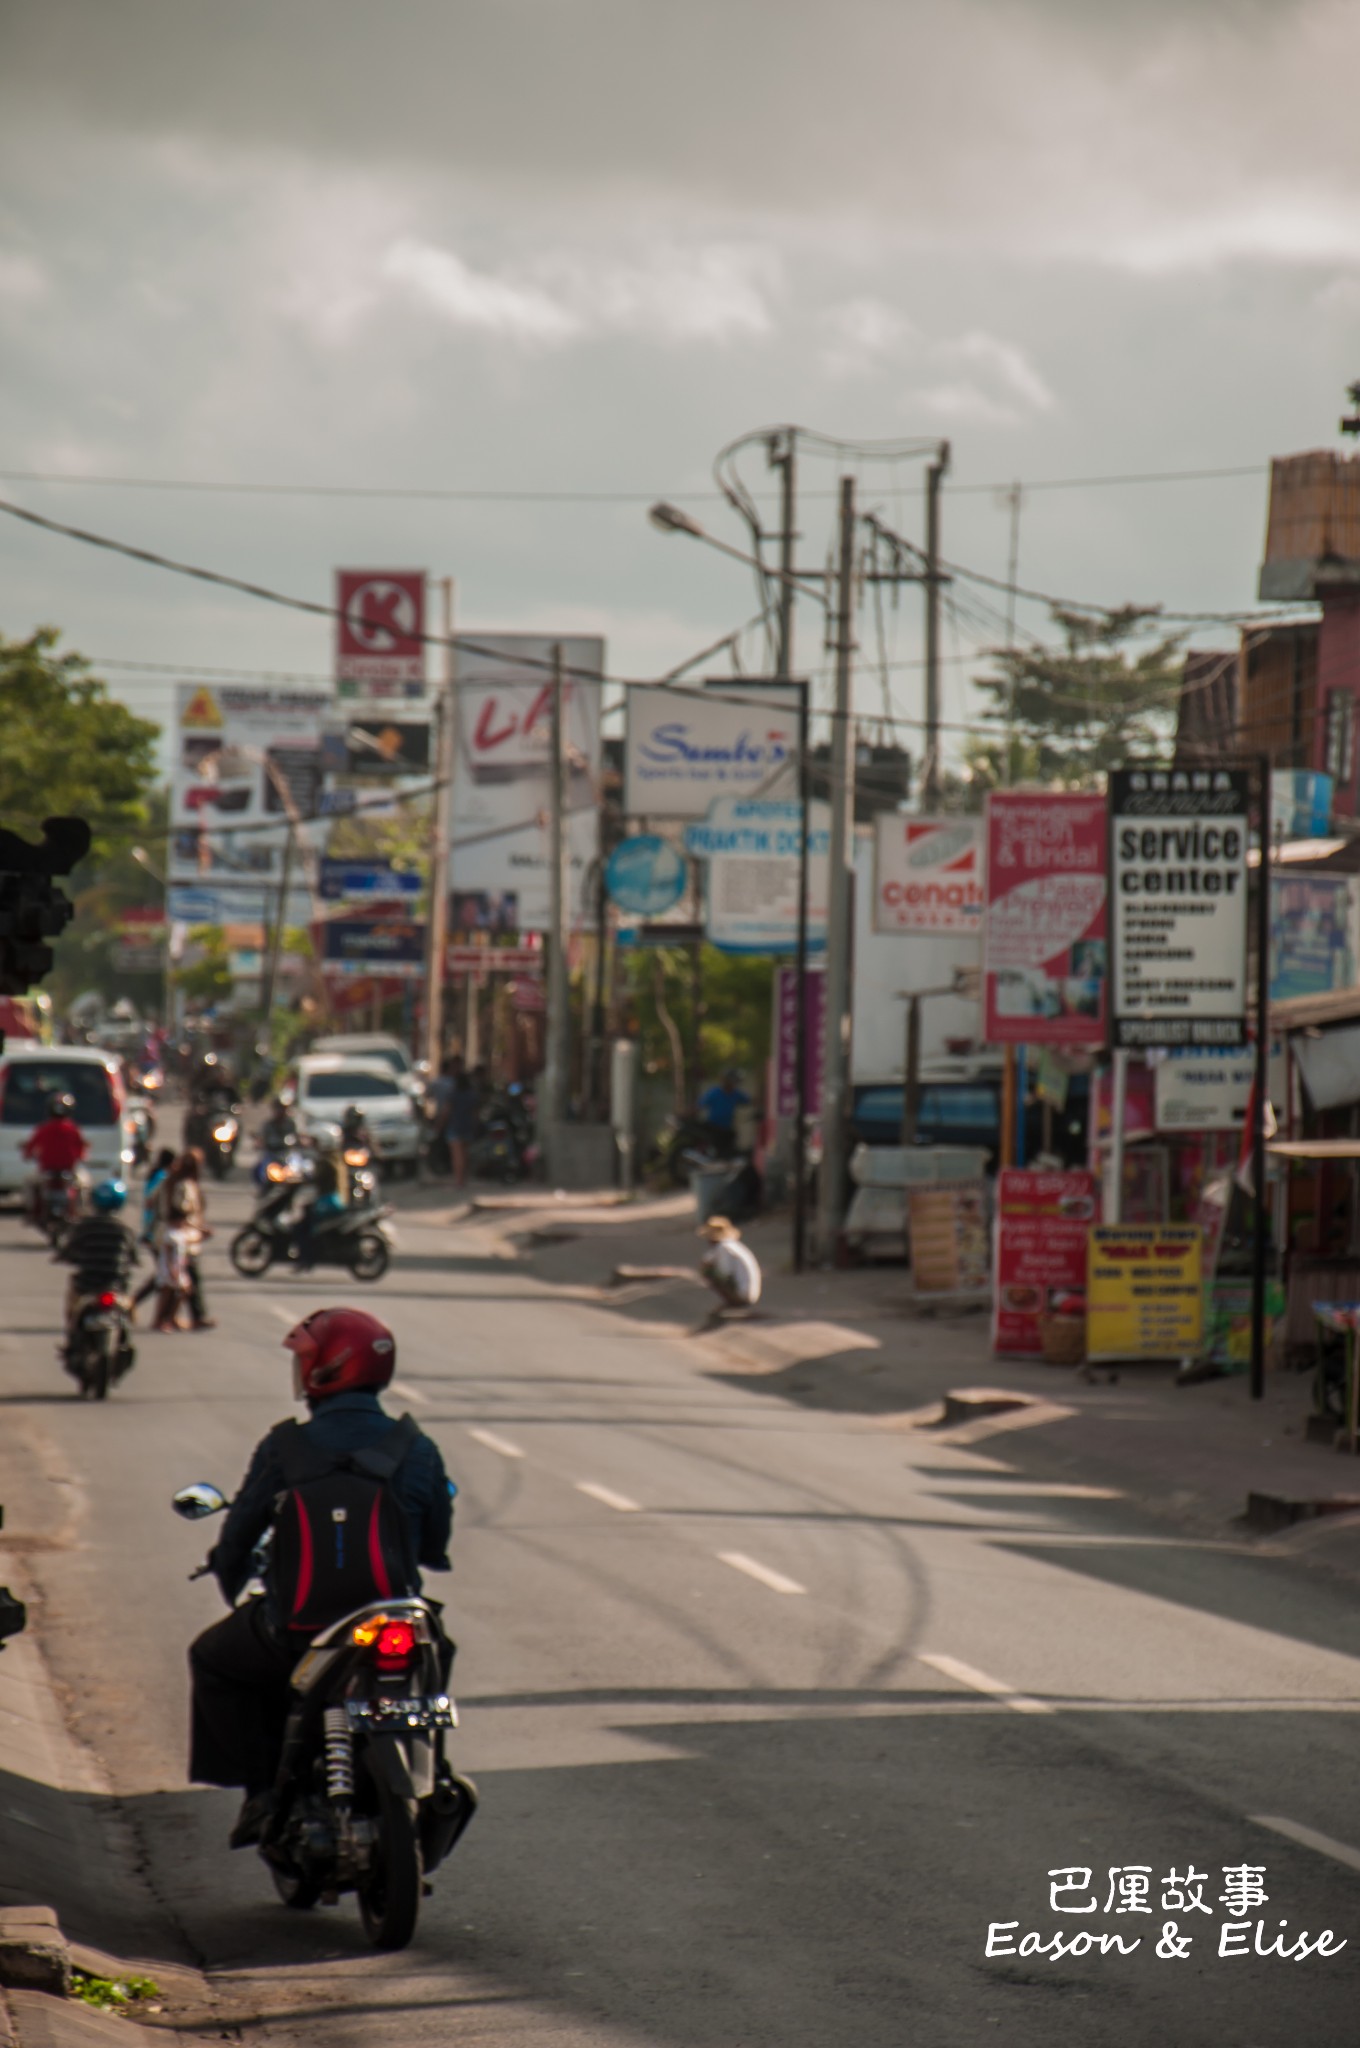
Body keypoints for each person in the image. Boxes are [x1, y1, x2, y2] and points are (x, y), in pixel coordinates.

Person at [187, 1307, 455, 1847]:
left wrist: (229, 1572)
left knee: (212, 1659)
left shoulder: (286, 1446)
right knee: (436, 1654)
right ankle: (433, 1777)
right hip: (392, 1622)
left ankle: (262, 1793)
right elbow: (434, 1542)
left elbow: (241, 1529)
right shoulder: (415, 1447)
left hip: (299, 1629)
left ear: (325, 1369)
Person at [56, 1179, 140, 1370]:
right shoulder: (124, 1230)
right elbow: (134, 1257)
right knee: (129, 1315)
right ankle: (125, 1342)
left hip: (87, 1285)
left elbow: (68, 1251)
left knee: (72, 1314)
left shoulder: (84, 1227)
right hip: (116, 1285)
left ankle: (71, 1340)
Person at [154, 1150, 213, 1332]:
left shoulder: (168, 1181)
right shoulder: (185, 1186)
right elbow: (181, 1212)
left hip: (165, 1234)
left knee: (172, 1281)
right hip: (181, 1237)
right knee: (181, 1282)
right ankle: (170, 1318)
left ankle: (172, 1318)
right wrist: (200, 1230)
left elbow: (153, 1203)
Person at [22, 1092, 88, 1225]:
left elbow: (30, 1148)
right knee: (83, 1184)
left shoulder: (43, 1128)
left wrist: (29, 1155)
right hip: (66, 1171)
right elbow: (82, 1150)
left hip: (47, 1171)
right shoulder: (73, 1129)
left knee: (29, 1183)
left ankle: (32, 1213)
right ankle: (78, 1213)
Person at [132, 1147, 176, 1318]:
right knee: (164, 1275)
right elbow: (153, 1203)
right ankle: (134, 1302)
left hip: (153, 1229)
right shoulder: (162, 1178)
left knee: (164, 1274)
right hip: (156, 1231)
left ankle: (166, 1314)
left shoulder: (156, 1175)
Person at [698, 1215, 762, 1318]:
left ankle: (732, 1301)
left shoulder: (724, 1248)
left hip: (744, 1294)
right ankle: (733, 1300)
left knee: (709, 1273)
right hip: (751, 1293)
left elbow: (725, 1273)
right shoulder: (732, 1245)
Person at [697, 1069, 751, 1159]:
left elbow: (749, 1100)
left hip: (727, 1128)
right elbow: (700, 1105)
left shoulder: (736, 1094)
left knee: (731, 1141)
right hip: (713, 1126)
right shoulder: (714, 1092)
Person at [444, 1056, 478, 1189]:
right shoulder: (471, 1095)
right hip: (467, 1126)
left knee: (457, 1157)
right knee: (466, 1155)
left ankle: (459, 1182)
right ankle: (464, 1180)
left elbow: (446, 1111)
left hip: (455, 1127)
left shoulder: (453, 1094)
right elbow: (475, 1113)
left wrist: (438, 1126)